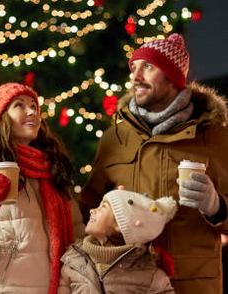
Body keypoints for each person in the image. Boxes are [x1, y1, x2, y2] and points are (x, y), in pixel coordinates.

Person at [79, 33, 228, 294]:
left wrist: (216, 206)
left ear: (173, 77)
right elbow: (86, 211)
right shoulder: (115, 138)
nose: (136, 77)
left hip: (192, 285)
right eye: (134, 68)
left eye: (148, 67)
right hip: (128, 286)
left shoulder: (215, 137)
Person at [0, 83, 84, 294]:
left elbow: (78, 241)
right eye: (19, 105)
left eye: (34, 106)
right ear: (0, 118)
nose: (31, 111)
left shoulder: (53, 171)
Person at [58, 189, 177, 294]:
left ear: (121, 225)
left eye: (103, 207)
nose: (92, 210)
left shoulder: (151, 277)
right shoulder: (73, 261)